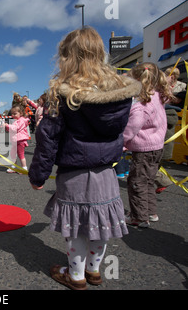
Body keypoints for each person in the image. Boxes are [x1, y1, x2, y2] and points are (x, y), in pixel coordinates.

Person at [28, 27, 141, 290]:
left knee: (76, 228)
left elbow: (48, 139)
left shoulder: (63, 93)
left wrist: (38, 175)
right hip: (106, 173)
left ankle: (75, 276)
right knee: (100, 226)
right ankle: (94, 272)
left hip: (75, 173)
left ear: (67, 57)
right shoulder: (120, 94)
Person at [123, 63, 174, 228]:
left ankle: (138, 217)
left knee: (136, 181)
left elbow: (131, 128)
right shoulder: (158, 97)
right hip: (156, 147)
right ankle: (151, 212)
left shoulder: (141, 106)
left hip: (143, 149)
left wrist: (121, 143)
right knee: (148, 180)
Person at [3, 105, 29, 173]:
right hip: (16, 140)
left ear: (21, 113)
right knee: (13, 154)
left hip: (20, 140)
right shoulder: (17, 121)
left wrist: (7, 126)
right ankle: (14, 167)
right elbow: (13, 129)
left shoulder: (21, 120)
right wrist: (7, 127)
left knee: (21, 155)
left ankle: (24, 168)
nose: (13, 115)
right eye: (12, 114)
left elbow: (16, 128)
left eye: (15, 113)